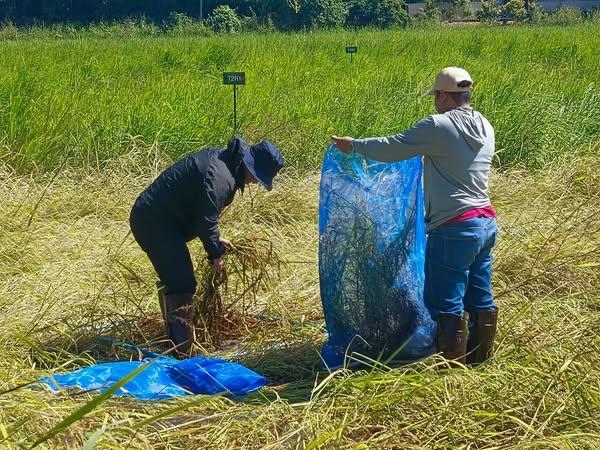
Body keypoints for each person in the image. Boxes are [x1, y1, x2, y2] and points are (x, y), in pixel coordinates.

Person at [331, 67, 498, 366]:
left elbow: (393, 147)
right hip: (485, 223)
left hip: (454, 227)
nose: (435, 101)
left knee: (446, 302)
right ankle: (480, 363)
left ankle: (452, 373)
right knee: (481, 297)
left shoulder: (438, 126)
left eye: (436, 95)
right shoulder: (485, 125)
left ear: (445, 96)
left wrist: (354, 145)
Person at [130, 136, 284, 358]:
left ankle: (173, 339)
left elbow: (201, 208)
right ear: (250, 166)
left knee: (176, 279)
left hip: (161, 220)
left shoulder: (226, 164)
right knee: (182, 283)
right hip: (154, 222)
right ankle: (182, 353)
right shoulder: (222, 176)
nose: (255, 183)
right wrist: (215, 253)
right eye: (258, 178)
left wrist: (216, 240)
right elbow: (207, 218)